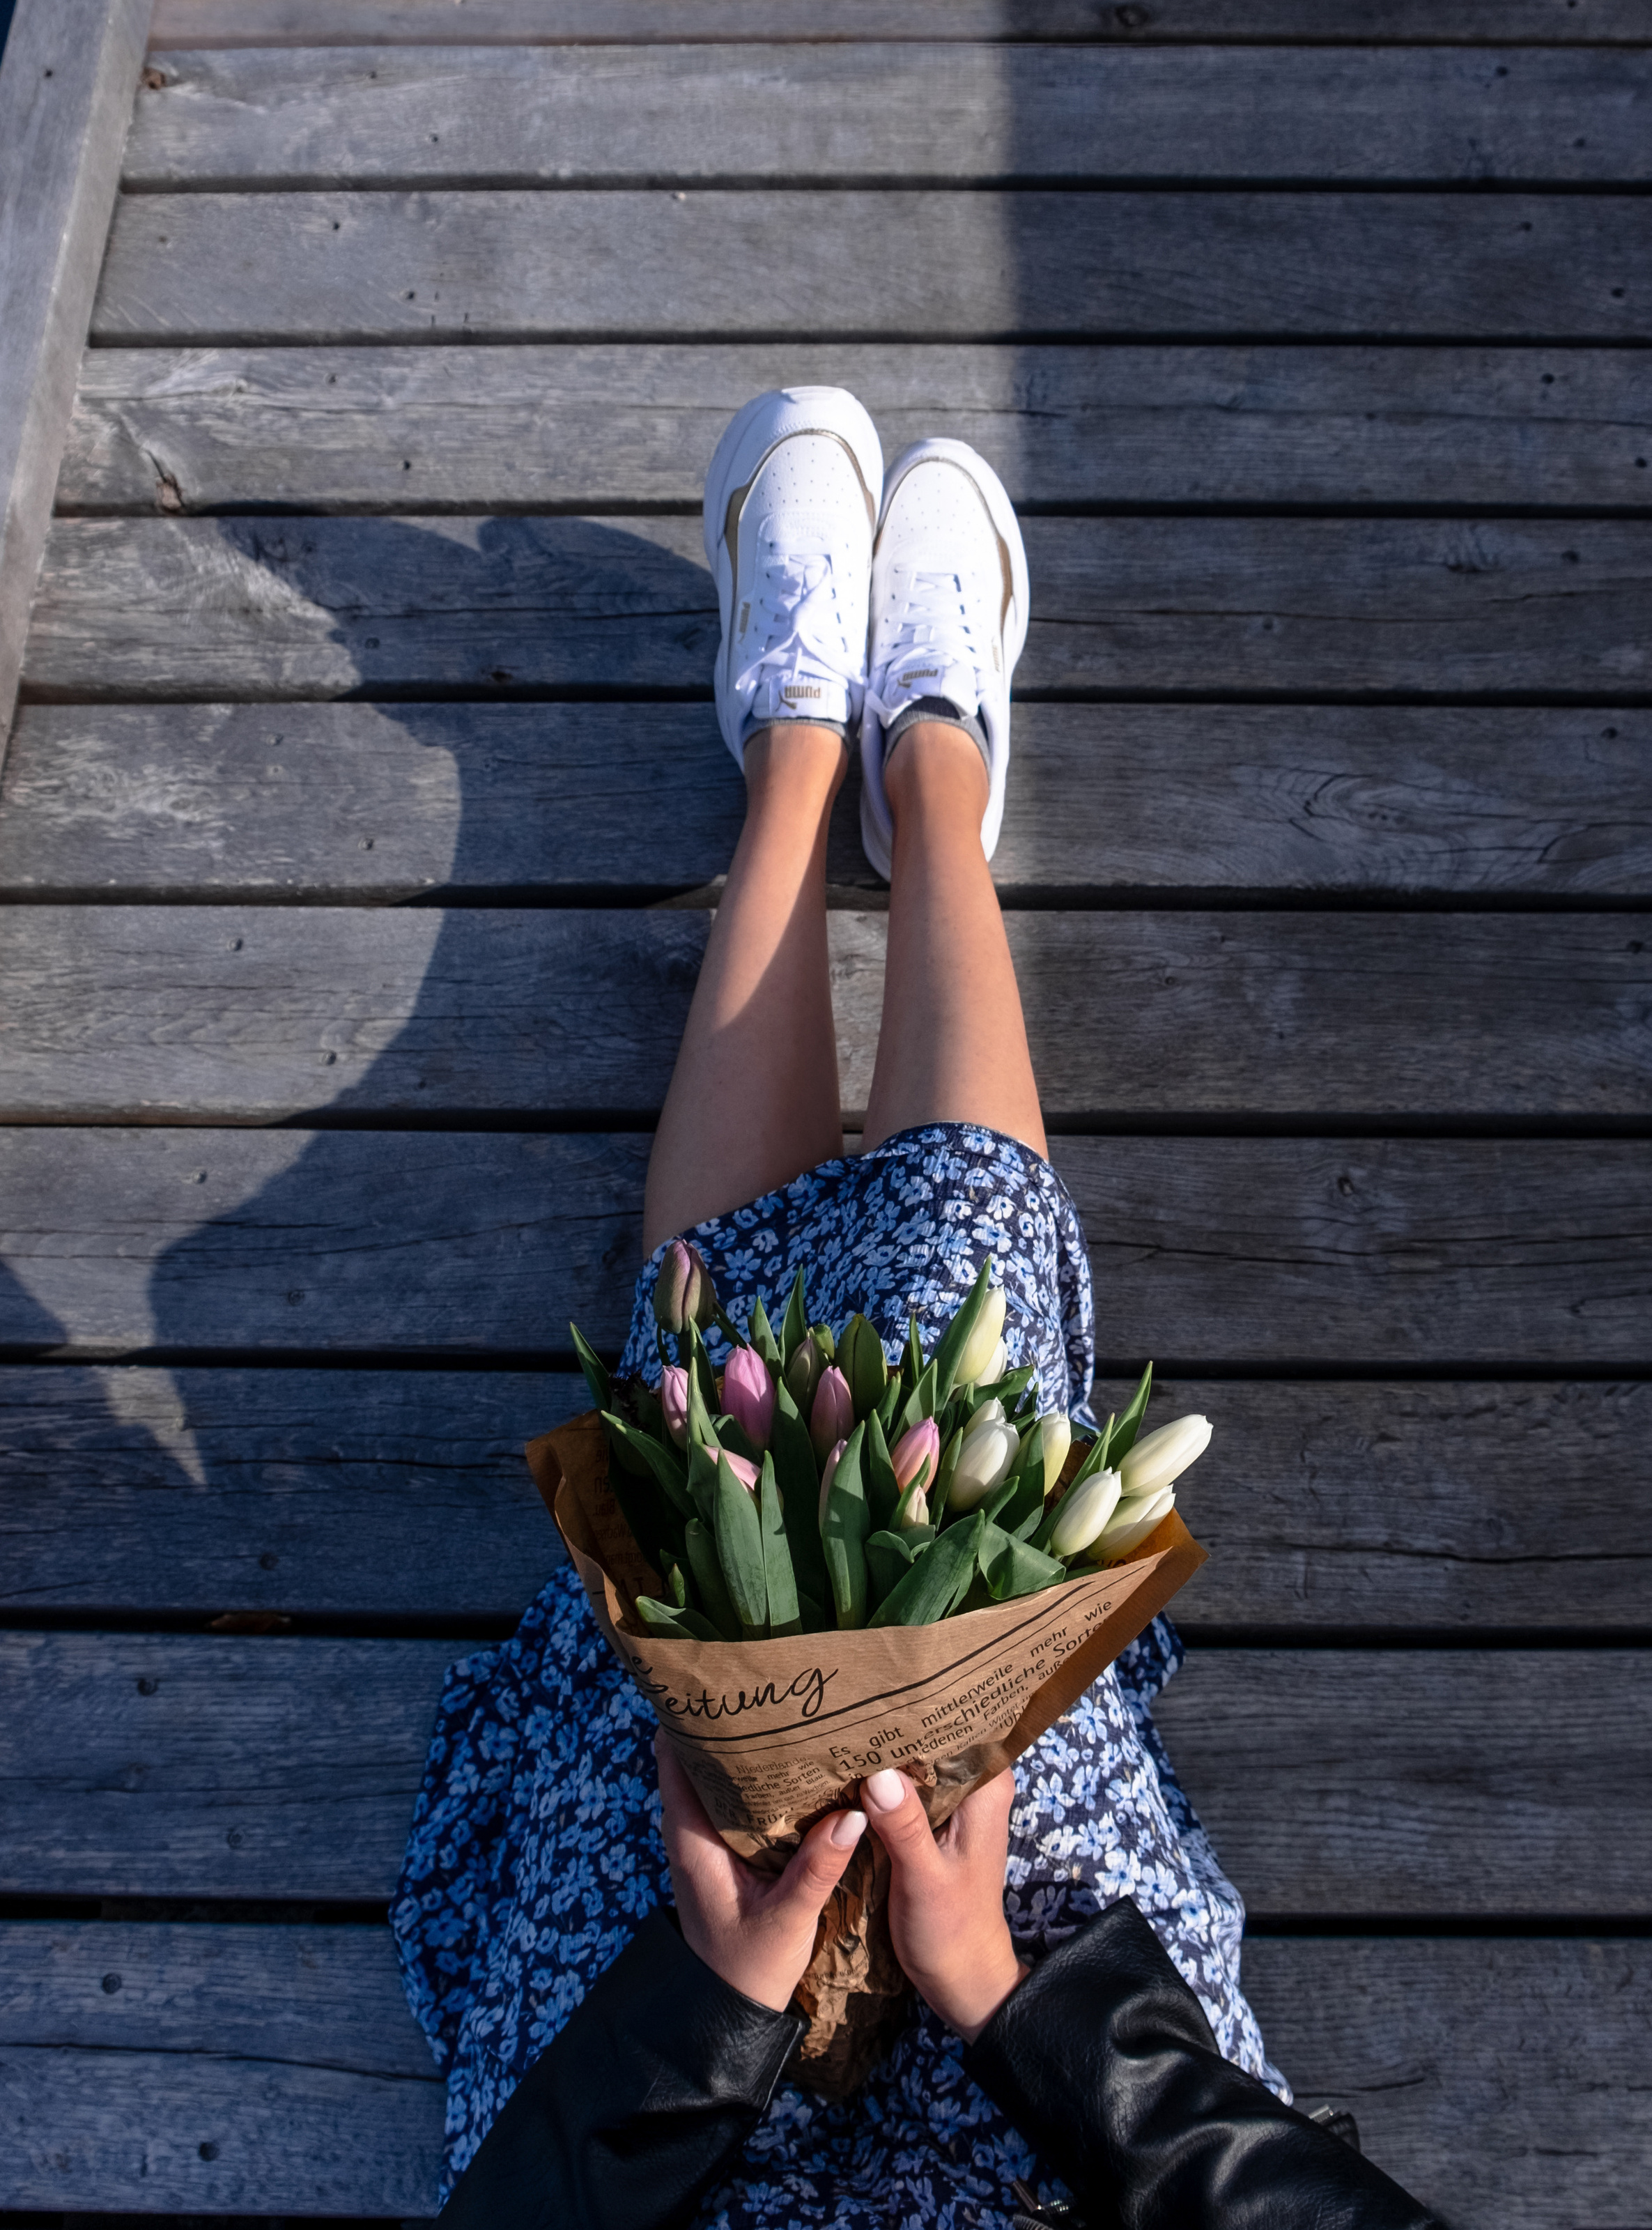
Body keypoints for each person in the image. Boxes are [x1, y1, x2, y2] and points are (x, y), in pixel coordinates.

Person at [395, 390, 1440, 2229]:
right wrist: (1015, 2005)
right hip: (1064, 2156)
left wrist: (703, 2022)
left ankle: (797, 752)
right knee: (967, 1401)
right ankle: (934, 771)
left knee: (707, 1465)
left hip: (663, 2163)